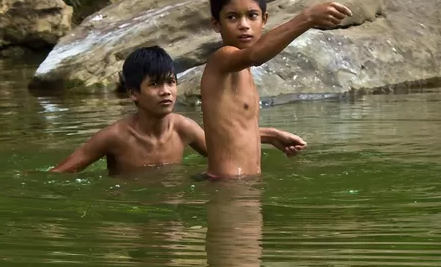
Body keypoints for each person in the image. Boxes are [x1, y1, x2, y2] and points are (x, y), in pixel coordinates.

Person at [51, 46, 306, 176]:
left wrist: (270, 136)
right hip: (129, 209)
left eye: (170, 82)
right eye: (154, 84)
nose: (166, 91)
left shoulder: (182, 128)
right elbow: (59, 174)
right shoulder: (114, 137)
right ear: (133, 94)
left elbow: (226, 145)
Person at [200, 0, 352, 179]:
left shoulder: (242, 70)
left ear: (264, 19)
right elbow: (256, 55)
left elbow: (230, 131)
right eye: (232, 17)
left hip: (242, 186)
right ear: (216, 24)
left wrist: (269, 135)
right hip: (228, 189)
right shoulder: (222, 59)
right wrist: (307, 18)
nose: (244, 25)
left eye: (252, 16)